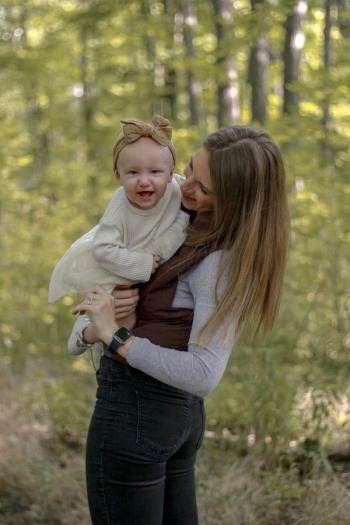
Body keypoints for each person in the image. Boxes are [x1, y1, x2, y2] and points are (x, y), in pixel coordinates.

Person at [70, 125, 290, 525]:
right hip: (169, 420)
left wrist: (116, 338)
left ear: (234, 201)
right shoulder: (186, 220)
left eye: (202, 187)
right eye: (188, 168)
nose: (182, 186)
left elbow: (204, 372)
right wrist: (103, 322)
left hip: (139, 415)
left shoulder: (218, 263)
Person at [48, 115, 189, 367]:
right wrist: (141, 266)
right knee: (126, 320)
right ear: (118, 175)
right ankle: (85, 332)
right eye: (133, 172)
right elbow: (102, 249)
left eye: (154, 171)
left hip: (148, 254)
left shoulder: (178, 189)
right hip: (116, 262)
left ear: (170, 173)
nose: (144, 180)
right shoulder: (120, 205)